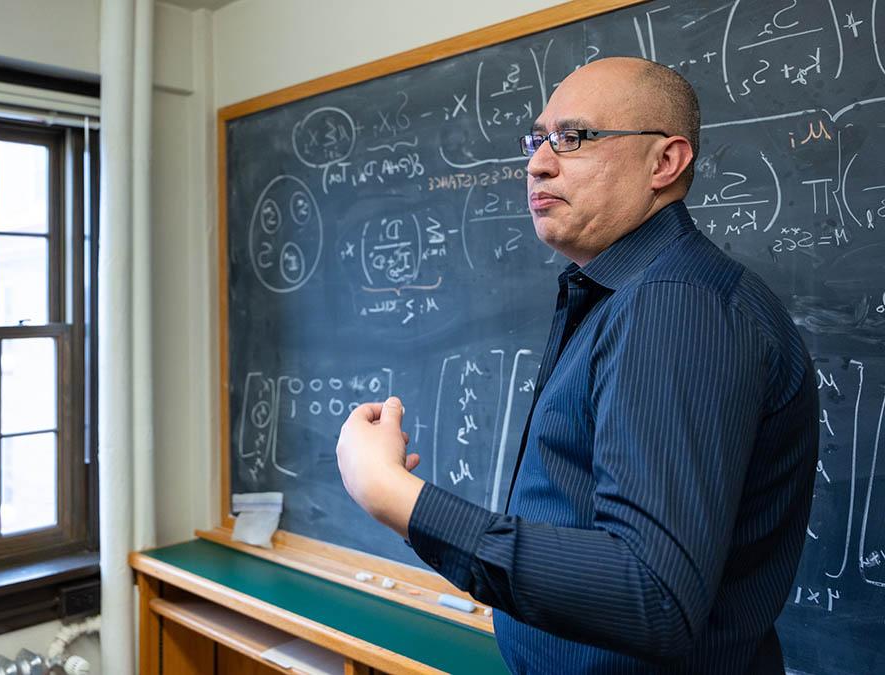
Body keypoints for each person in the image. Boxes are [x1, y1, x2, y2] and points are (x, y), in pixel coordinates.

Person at [335, 56, 818, 674]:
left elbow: (653, 594)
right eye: (537, 140)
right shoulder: (626, 295)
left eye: (575, 137)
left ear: (664, 163)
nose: (537, 162)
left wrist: (392, 496)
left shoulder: (676, 308)